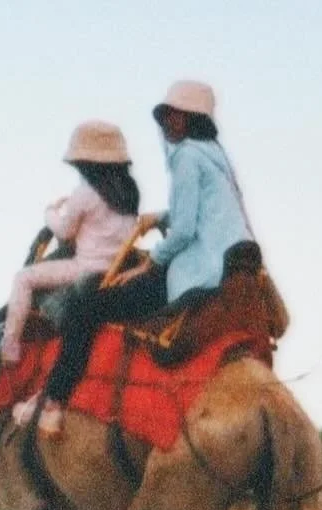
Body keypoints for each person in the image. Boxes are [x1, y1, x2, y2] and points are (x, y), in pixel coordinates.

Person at [24, 80, 254, 436]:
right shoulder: (216, 156)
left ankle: (54, 400)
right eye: (166, 115)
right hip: (225, 262)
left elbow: (184, 232)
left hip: (197, 270)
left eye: (175, 115)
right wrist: (159, 218)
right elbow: (200, 214)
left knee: (87, 307)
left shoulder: (186, 157)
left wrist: (149, 264)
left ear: (191, 119)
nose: (167, 122)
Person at [0, 121, 139, 363]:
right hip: (116, 268)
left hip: (85, 268)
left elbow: (64, 233)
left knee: (23, 278)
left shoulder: (84, 194)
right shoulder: (131, 192)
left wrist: (50, 212)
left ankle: (9, 347)